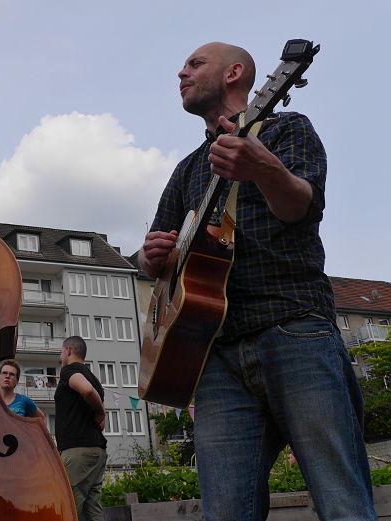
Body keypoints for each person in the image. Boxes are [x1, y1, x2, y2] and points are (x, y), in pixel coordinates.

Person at [139, 42, 377, 520]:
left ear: (235, 73)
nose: (180, 73)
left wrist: (264, 168)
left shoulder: (288, 128)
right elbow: (153, 255)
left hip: (293, 328)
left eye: (194, 64)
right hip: (215, 352)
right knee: (225, 512)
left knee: (341, 501)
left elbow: (301, 208)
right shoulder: (187, 168)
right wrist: (151, 257)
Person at [55, 336, 107, 521]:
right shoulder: (94, 378)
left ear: (68, 350)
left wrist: (102, 412)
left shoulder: (69, 370)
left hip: (78, 452)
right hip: (97, 451)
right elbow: (91, 391)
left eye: (61, 352)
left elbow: (86, 390)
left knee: (69, 508)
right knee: (92, 510)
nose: (61, 356)